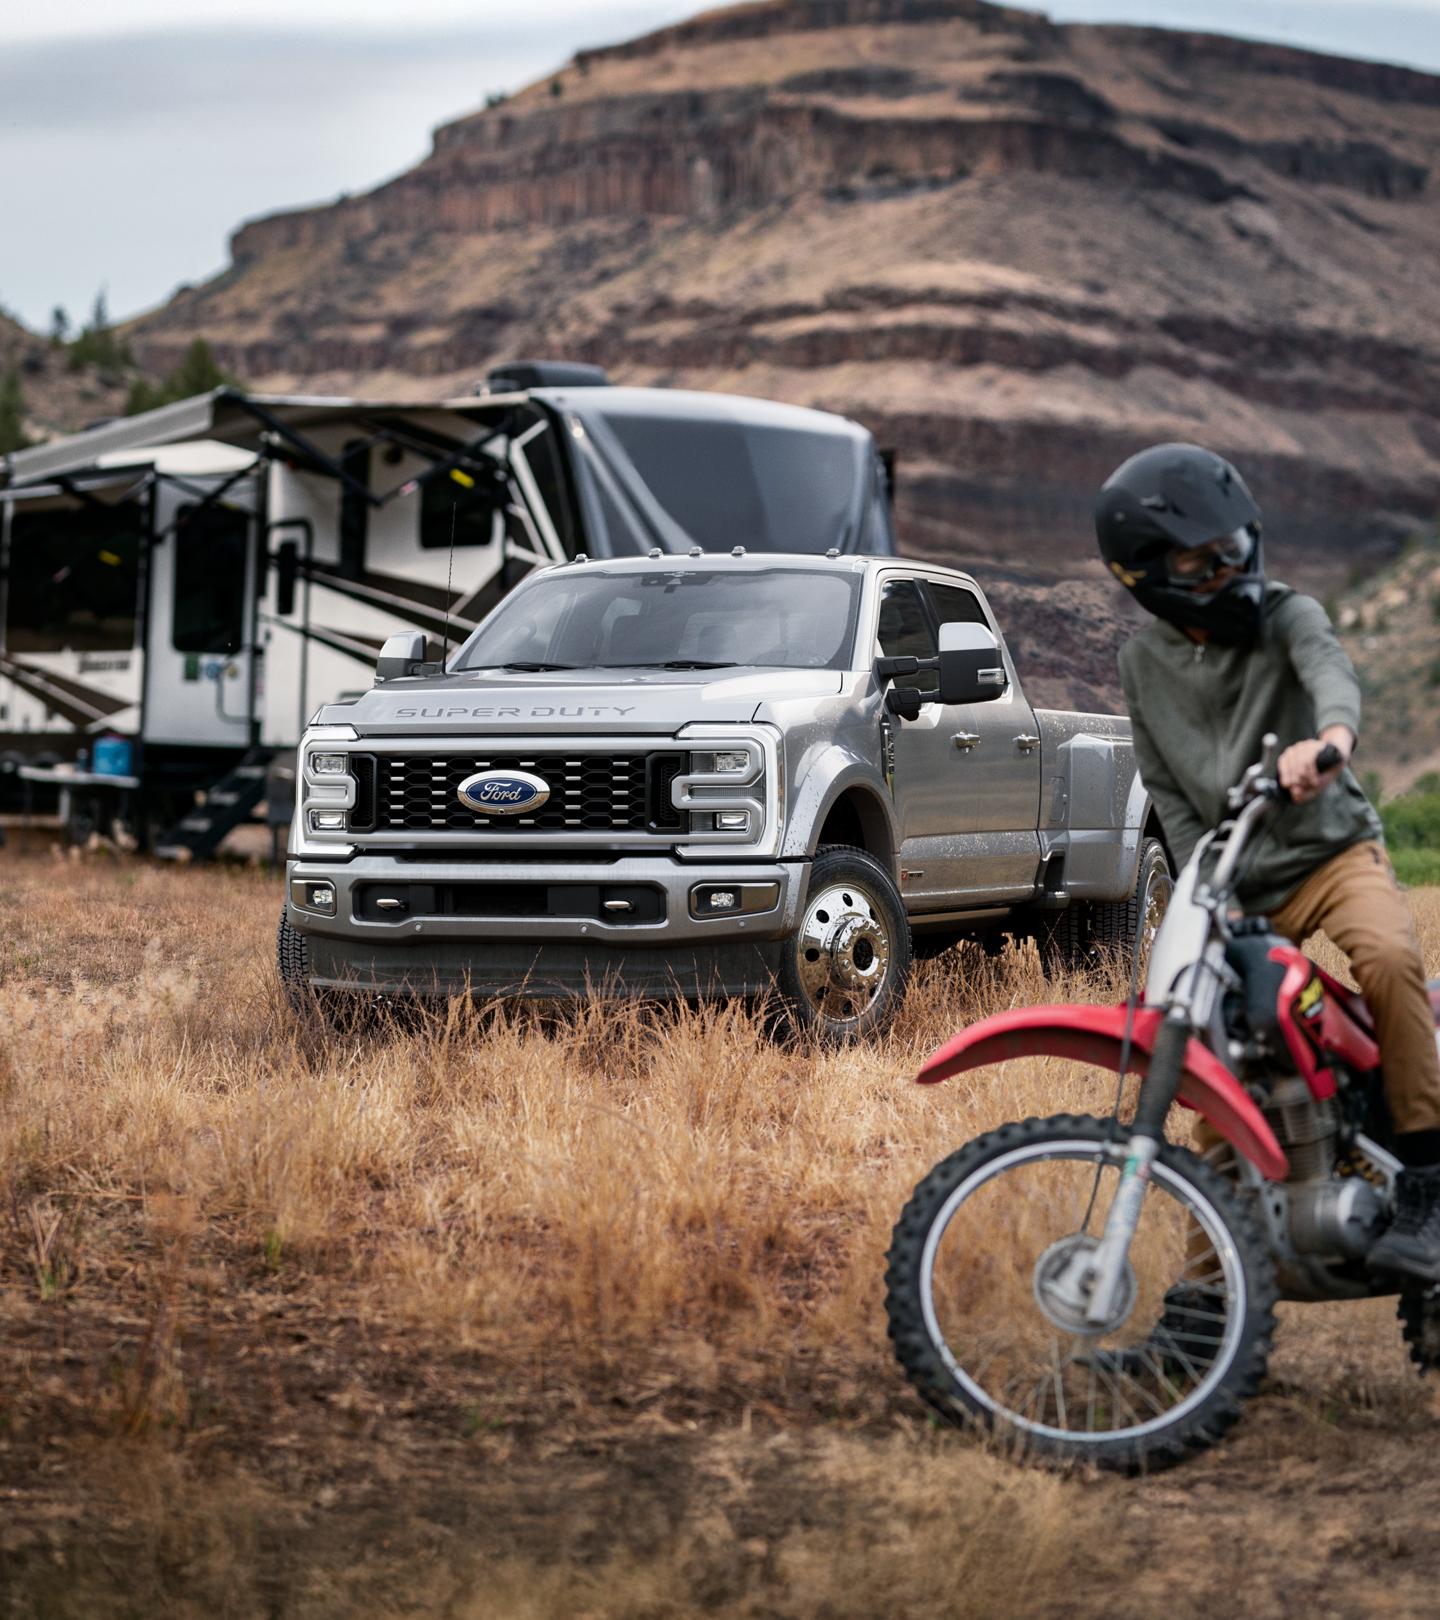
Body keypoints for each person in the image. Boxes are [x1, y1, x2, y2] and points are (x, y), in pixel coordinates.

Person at [1095, 442, 1440, 1281]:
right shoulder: (1143, 666)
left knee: (1391, 956)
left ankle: (1428, 1179)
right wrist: (1200, 890)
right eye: (1201, 560)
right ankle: (1207, 1300)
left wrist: (1329, 745)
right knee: (1219, 1056)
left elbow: (1332, 675)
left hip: (1329, 849)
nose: (1228, 567)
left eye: (1235, 548)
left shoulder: (1289, 612)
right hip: (1236, 884)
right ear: (1149, 574)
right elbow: (1170, 795)